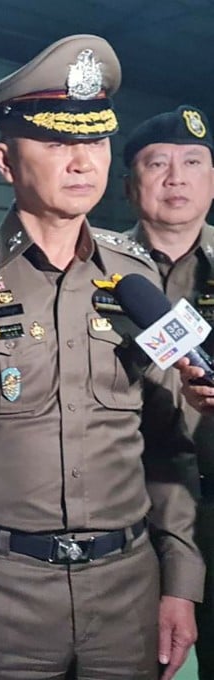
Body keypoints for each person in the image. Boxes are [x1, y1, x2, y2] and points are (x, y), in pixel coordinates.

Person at [0, 34, 204, 680]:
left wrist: (181, 579)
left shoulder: (137, 281)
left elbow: (168, 443)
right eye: (58, 142)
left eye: (92, 141)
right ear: (6, 161)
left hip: (128, 593)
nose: (81, 160)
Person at [124, 106, 214, 680]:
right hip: (128, 516)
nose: (175, 177)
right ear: (130, 183)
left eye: (192, 163)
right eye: (157, 163)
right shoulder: (89, 274)